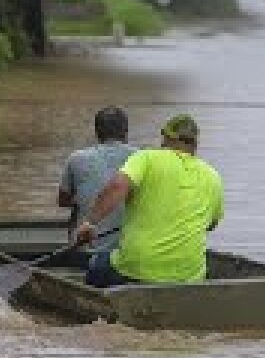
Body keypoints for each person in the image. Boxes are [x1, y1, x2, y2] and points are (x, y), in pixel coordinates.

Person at [75, 114, 224, 287]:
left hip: (137, 269)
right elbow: (211, 225)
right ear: (195, 143)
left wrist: (89, 224)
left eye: (163, 139)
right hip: (189, 276)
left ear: (167, 138)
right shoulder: (213, 176)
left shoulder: (146, 157)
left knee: (96, 264)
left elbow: (117, 187)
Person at [59, 107, 136, 254]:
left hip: (84, 252)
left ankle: (77, 245)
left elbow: (63, 201)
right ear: (126, 132)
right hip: (128, 253)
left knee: (77, 206)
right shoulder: (142, 158)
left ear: (97, 132)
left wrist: (89, 198)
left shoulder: (76, 158)